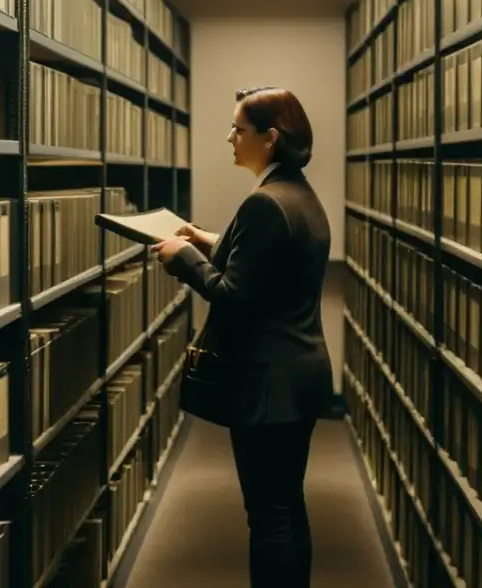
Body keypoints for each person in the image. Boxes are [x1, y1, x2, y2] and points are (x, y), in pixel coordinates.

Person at [152, 86, 334, 588]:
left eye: (238, 128)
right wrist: (206, 239)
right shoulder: (296, 194)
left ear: (269, 138)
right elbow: (267, 263)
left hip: (266, 385)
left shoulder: (265, 204)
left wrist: (181, 258)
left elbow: (235, 293)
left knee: (269, 515)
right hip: (299, 374)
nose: (229, 137)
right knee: (287, 506)